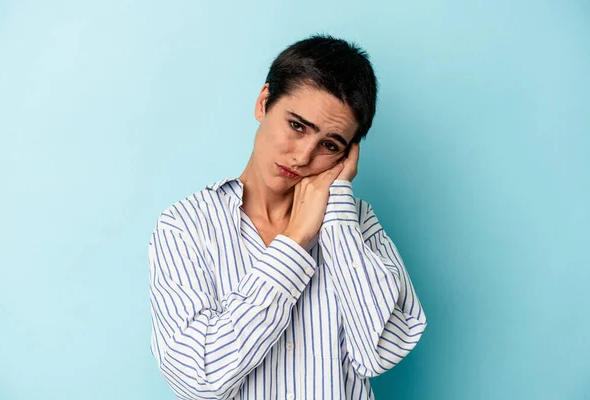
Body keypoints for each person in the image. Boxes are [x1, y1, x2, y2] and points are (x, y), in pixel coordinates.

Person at [148, 33, 427, 400]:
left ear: (348, 156)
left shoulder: (355, 224)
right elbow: (198, 377)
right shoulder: (185, 227)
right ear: (264, 103)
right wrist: (295, 242)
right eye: (297, 126)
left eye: (330, 145)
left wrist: (339, 212)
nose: (302, 157)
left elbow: (383, 350)